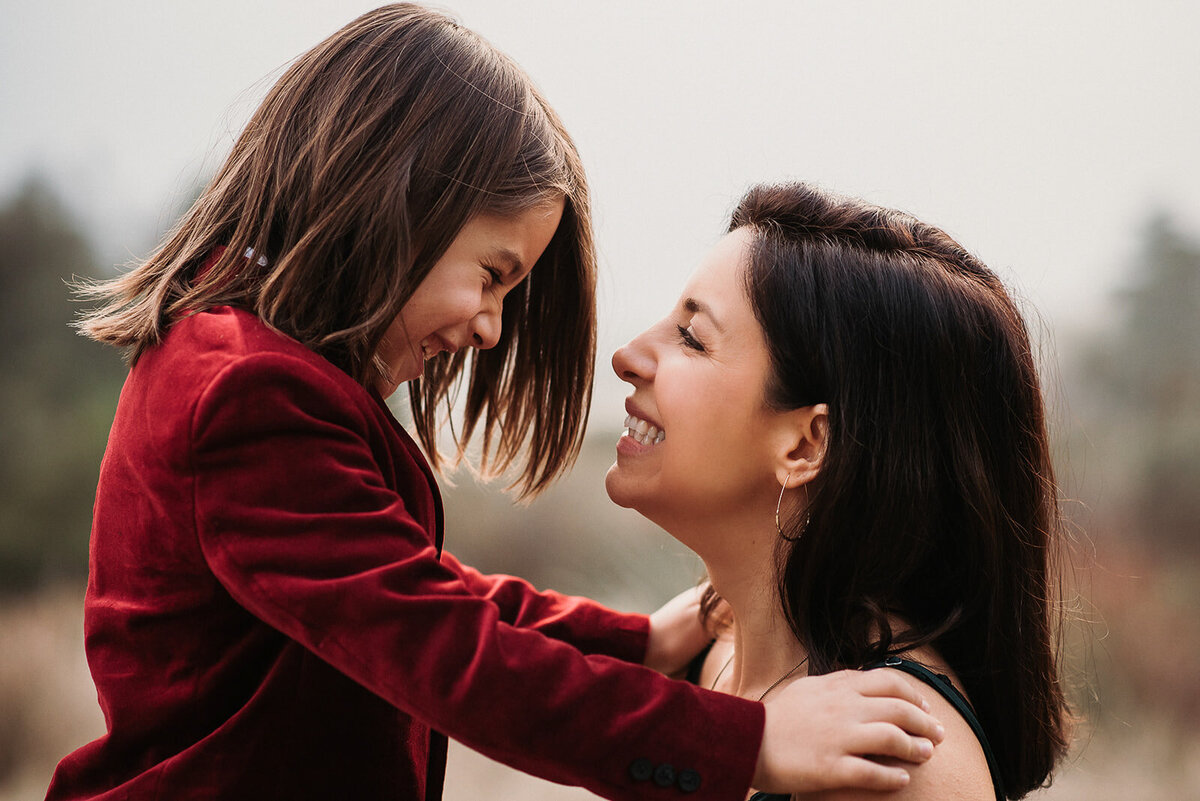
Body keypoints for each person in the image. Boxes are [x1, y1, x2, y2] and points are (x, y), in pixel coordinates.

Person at [46, 8, 945, 801]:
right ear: (394, 204)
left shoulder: (241, 367)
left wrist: (632, 638)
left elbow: (423, 594)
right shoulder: (248, 394)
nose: (488, 327)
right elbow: (442, 647)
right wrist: (749, 743)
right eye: (493, 276)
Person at [606, 182, 1073, 800]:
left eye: (693, 337)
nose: (628, 355)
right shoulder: (710, 653)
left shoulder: (892, 757)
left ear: (805, 446)